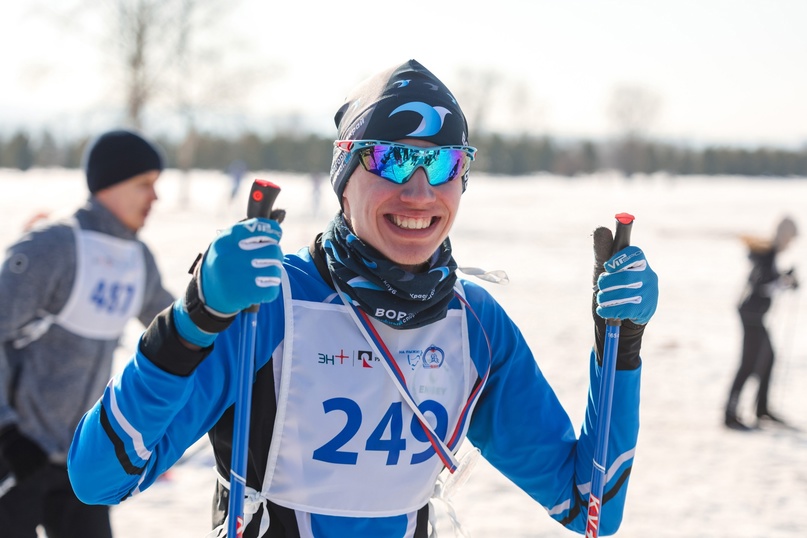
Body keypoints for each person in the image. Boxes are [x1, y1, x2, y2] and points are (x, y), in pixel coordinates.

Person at [67, 60, 659, 537]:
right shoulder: (270, 307)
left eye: (445, 163)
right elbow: (99, 478)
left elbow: (590, 509)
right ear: (345, 175)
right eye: (392, 159)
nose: (420, 191)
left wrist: (621, 351)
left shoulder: (474, 325)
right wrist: (196, 318)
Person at [0, 129, 175, 536]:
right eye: (144, 185)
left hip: (84, 458)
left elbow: (177, 329)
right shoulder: (53, 246)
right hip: (18, 453)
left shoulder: (137, 259)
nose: (155, 198)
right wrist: (5, 433)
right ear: (110, 184)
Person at [724, 216, 798, 431]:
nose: (791, 242)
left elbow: (766, 281)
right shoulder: (768, 254)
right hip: (751, 316)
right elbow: (762, 284)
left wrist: (784, 280)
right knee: (748, 363)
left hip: (755, 316)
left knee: (769, 357)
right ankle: (730, 415)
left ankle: (762, 410)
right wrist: (784, 282)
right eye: (791, 238)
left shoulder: (768, 253)